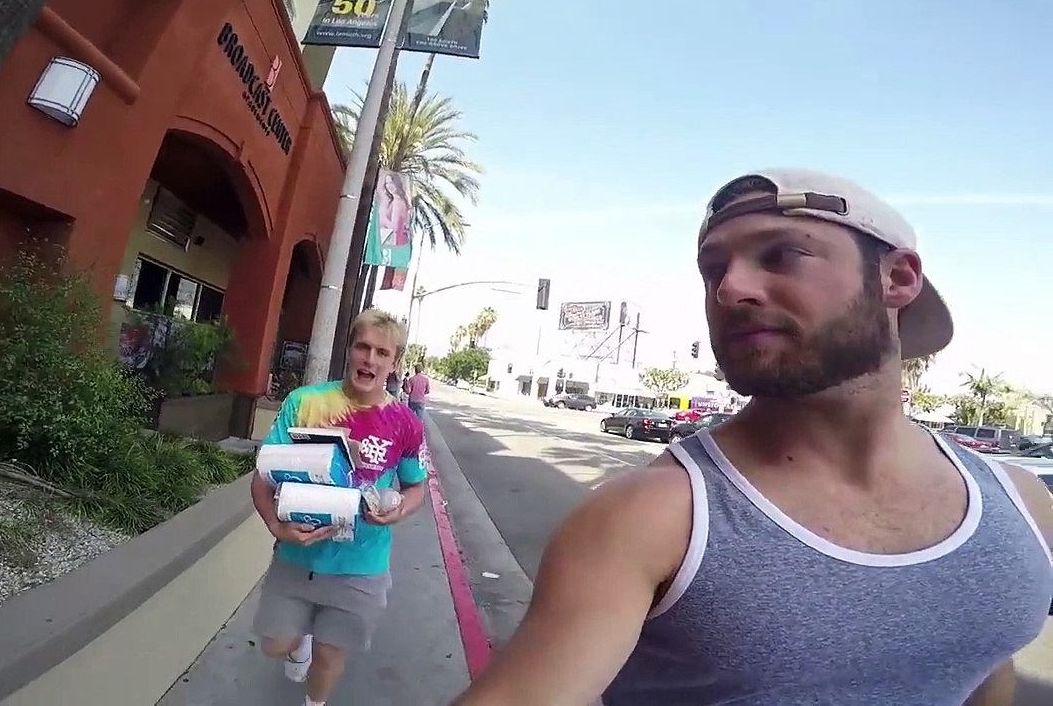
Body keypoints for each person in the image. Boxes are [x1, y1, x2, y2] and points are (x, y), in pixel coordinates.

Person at [453, 169, 1053, 706]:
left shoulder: (1022, 506)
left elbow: (982, 671)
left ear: (897, 277)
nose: (729, 288)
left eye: (782, 254)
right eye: (713, 269)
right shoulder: (652, 517)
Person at [251, 308, 429, 706]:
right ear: (349, 350)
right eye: (363, 347)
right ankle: (298, 642)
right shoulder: (305, 403)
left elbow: (416, 487)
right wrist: (276, 527)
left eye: (382, 352)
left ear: (395, 363)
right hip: (298, 556)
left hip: (361, 566)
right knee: (276, 644)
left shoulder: (405, 423)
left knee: (331, 656)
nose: (370, 359)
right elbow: (263, 476)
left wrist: (399, 509)